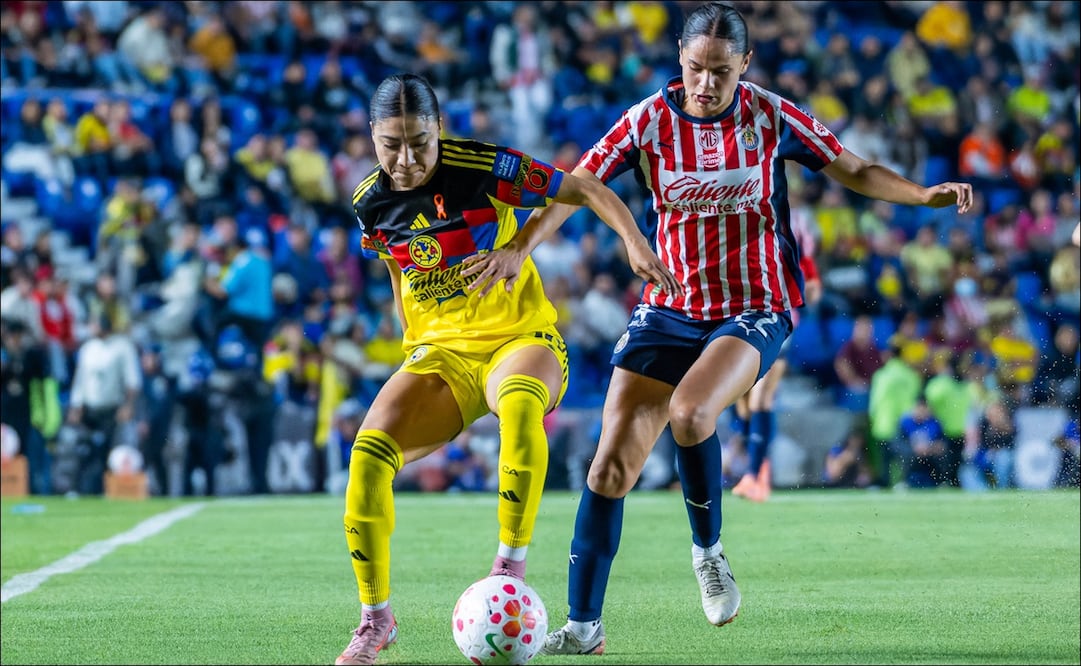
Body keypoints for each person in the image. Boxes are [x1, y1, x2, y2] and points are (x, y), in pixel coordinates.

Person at [464, 3, 972, 653]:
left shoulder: (770, 116)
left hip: (754, 305)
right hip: (669, 306)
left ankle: (708, 553)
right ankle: (583, 628)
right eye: (696, 69)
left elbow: (851, 168)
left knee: (691, 410)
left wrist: (919, 195)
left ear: (745, 65)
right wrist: (521, 246)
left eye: (721, 72)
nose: (707, 84)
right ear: (680, 59)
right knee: (607, 470)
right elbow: (578, 184)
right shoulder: (647, 121)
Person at [333, 73, 676, 666]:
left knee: (519, 407)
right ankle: (374, 619)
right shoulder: (370, 202)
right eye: (391, 144)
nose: (407, 158)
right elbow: (396, 267)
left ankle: (508, 568)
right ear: (372, 136)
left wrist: (627, 240)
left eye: (419, 141)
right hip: (442, 353)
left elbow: (585, 188)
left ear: (439, 130)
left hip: (522, 336)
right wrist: (414, 340)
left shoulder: (484, 166)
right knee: (367, 459)